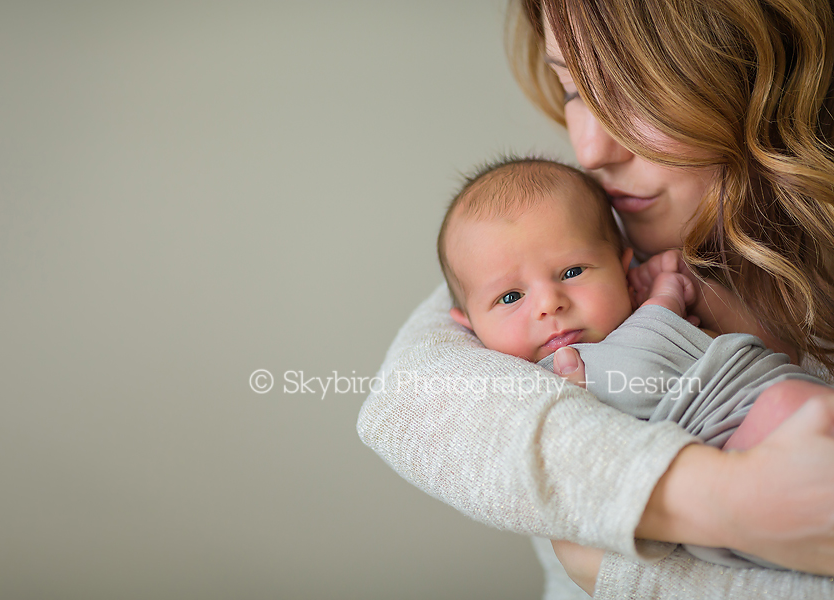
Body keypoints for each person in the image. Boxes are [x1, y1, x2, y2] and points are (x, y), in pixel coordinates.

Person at [357, 1, 834, 597]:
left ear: (765, 81)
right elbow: (407, 400)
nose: (589, 151)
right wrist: (722, 502)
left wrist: (606, 567)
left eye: (636, 95)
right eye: (573, 91)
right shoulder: (567, 245)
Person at [439, 155, 830, 569]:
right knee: (787, 409)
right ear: (469, 326)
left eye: (572, 271)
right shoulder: (525, 389)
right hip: (731, 469)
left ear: (623, 269)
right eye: (511, 297)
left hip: (759, 407)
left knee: (793, 406)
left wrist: (664, 287)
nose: (549, 303)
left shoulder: (640, 319)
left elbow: (663, 316)